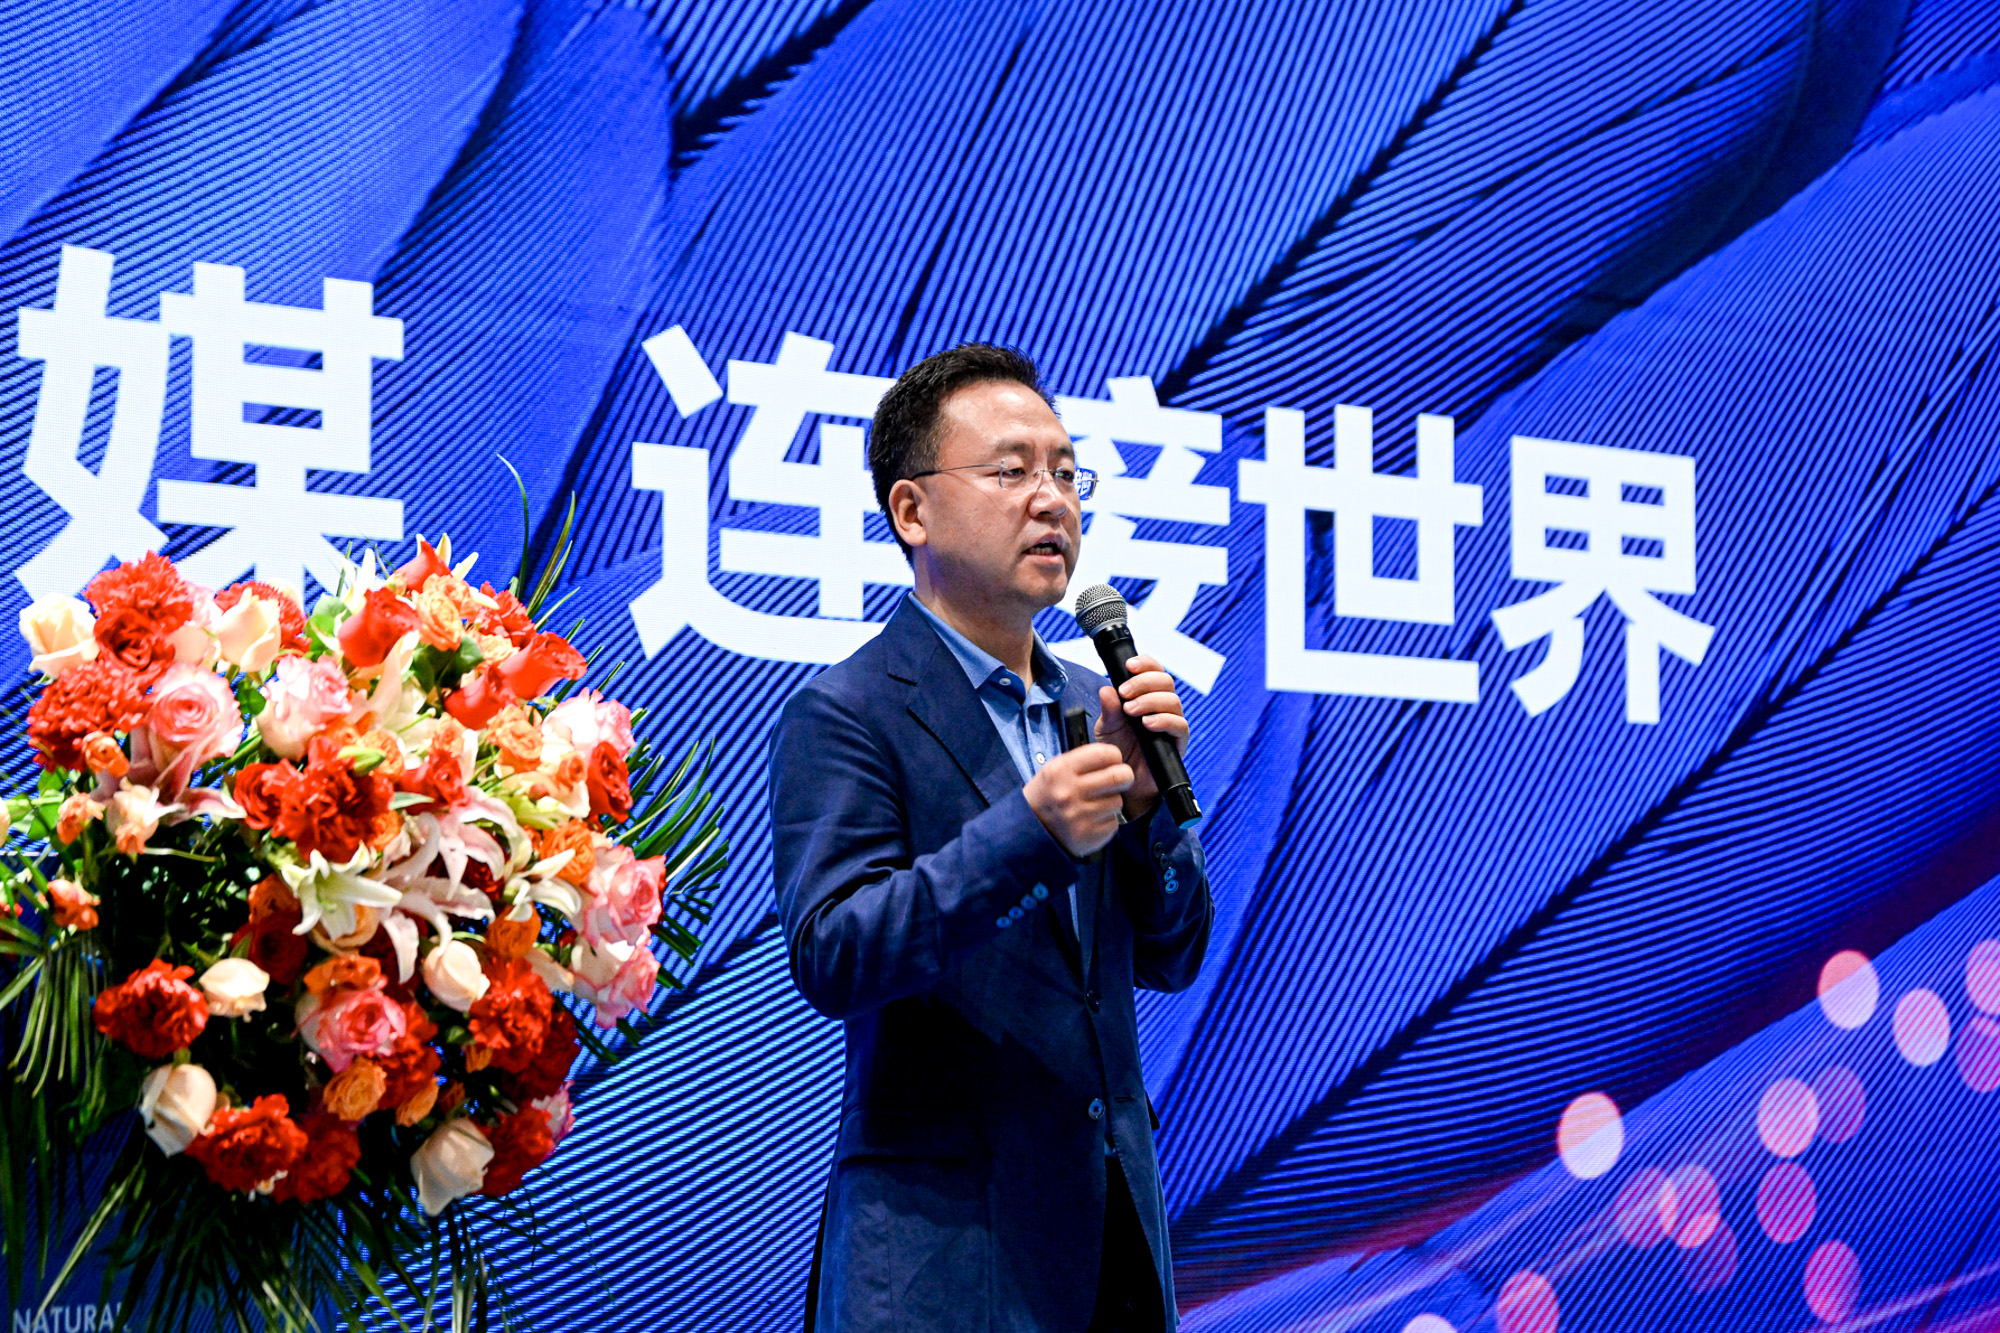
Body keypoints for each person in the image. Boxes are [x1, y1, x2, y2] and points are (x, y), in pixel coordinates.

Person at [769, 343, 1213, 1332]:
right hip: (942, 1262)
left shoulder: (1091, 701)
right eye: (1011, 470)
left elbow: (1172, 955)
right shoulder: (846, 711)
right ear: (912, 510)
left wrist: (1147, 818)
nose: (1051, 500)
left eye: (1066, 473)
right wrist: (1030, 831)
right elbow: (834, 952)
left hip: (1112, 1248)